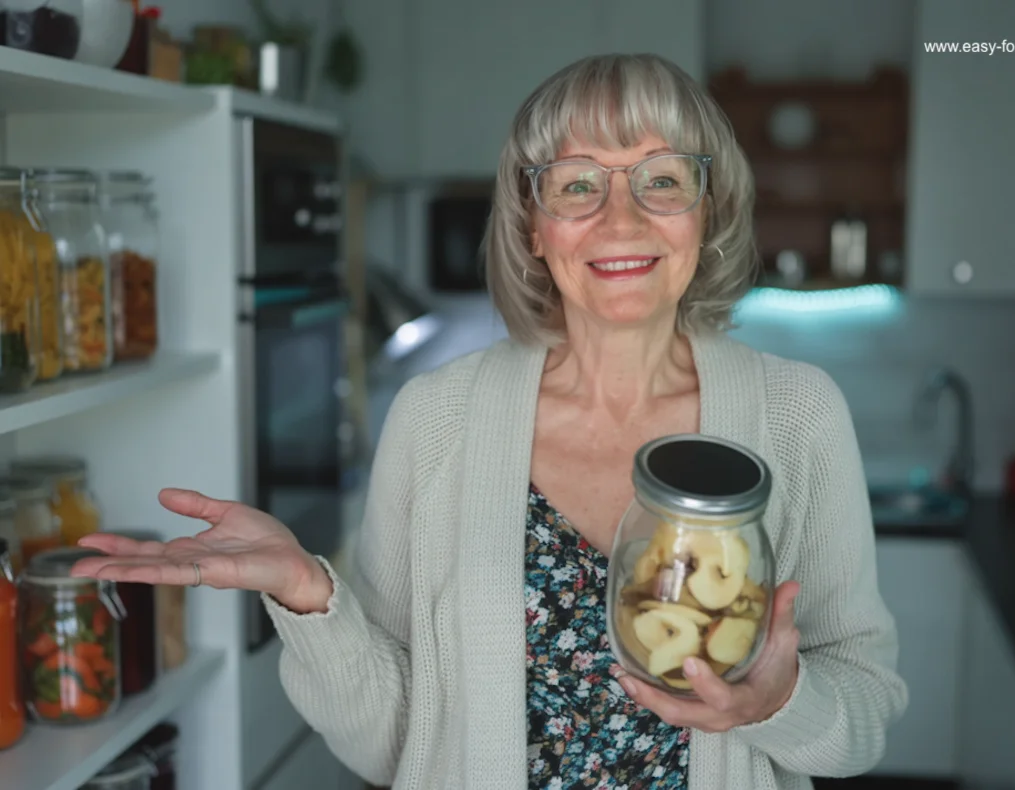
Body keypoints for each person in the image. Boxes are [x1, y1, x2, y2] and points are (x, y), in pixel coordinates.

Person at [70, 53, 908, 789]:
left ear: (707, 211)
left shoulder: (798, 415)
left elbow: (865, 712)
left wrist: (780, 703)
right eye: (578, 183)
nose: (621, 218)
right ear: (533, 226)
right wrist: (308, 593)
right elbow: (397, 740)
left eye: (661, 177)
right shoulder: (439, 418)